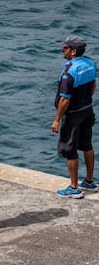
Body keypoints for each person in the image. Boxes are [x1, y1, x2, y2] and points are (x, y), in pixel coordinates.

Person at [52, 35, 97, 198]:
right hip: (87, 110)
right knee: (87, 145)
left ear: (73, 51)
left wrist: (57, 119)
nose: (62, 50)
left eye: (65, 48)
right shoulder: (90, 63)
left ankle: (74, 187)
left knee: (69, 150)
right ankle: (90, 182)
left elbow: (64, 99)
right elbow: (93, 85)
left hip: (72, 116)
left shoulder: (69, 71)